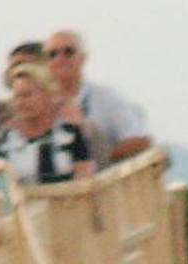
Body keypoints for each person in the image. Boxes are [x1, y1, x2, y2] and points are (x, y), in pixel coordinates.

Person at [45, 29, 152, 164]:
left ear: (83, 58)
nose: (60, 59)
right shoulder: (37, 102)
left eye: (68, 52)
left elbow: (139, 141)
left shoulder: (107, 98)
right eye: (52, 54)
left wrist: (101, 160)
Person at [0, 62, 94, 184]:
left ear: (46, 94)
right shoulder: (6, 143)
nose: (22, 102)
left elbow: (84, 177)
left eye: (28, 95)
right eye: (18, 96)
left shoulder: (71, 135)